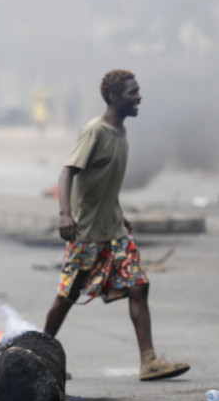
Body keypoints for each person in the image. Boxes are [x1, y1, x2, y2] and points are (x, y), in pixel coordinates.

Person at [42, 69, 189, 381]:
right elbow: (67, 172)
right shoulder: (94, 131)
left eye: (138, 91)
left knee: (139, 285)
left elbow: (105, 182)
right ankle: (41, 355)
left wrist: (117, 212)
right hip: (87, 232)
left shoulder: (121, 133)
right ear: (113, 97)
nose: (138, 97)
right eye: (132, 92)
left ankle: (149, 361)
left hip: (114, 231)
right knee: (69, 294)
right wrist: (65, 214)